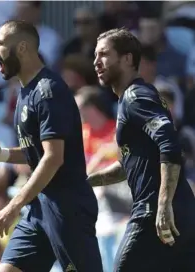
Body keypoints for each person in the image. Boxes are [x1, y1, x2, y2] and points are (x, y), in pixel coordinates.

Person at [0, 20, 103, 272]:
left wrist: (13, 206)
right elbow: (35, 153)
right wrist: (2, 154)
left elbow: (53, 158)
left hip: (67, 210)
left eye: (0, 43)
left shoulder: (49, 91)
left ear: (23, 48)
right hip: (39, 210)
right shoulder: (25, 93)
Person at [88, 28, 195, 272]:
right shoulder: (135, 99)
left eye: (104, 54)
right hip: (182, 212)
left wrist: (163, 205)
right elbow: (129, 166)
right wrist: (85, 181)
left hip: (154, 213)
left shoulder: (135, 96)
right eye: (95, 55)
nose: (96, 62)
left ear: (127, 58)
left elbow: (169, 144)